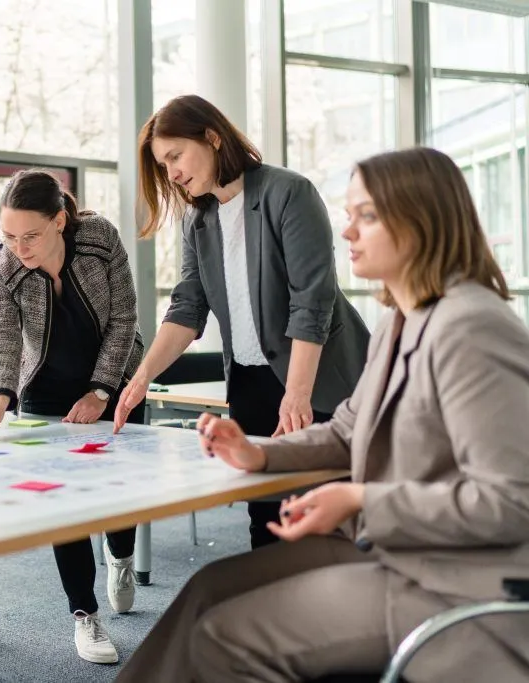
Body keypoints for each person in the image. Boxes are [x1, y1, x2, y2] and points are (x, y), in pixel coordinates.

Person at [114, 147, 529, 683]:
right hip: (396, 555)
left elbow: (509, 502)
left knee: (223, 636)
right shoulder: (398, 322)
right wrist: (258, 451)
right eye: (350, 214)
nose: (348, 232)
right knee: (207, 588)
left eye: (369, 215)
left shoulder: (472, 328)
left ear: (423, 220)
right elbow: (346, 430)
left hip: (454, 584)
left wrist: (359, 498)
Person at [114, 94, 370, 548]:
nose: (171, 173)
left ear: (211, 137)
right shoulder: (197, 221)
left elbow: (312, 302)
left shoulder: (288, 192)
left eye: (175, 155)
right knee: (266, 520)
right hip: (251, 383)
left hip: (316, 379)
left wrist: (297, 392)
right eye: (162, 164)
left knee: (324, 519)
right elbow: (187, 308)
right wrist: (142, 377)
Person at [0, 169, 144, 665]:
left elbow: (125, 319)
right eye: (8, 235)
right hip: (47, 387)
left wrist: (101, 390)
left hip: (116, 379)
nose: (19, 247)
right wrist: (0, 399)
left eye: (31, 236)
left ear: (60, 221)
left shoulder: (98, 238)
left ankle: (123, 556)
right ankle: (84, 614)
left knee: (121, 491)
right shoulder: (2, 267)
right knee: (67, 504)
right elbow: (1, 336)